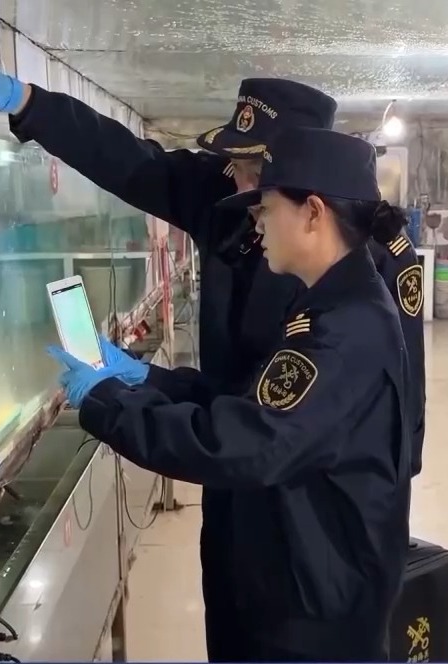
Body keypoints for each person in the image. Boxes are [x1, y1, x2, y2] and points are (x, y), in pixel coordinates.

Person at [0, 68, 428, 659]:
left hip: (309, 534)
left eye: (261, 182)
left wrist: (109, 402)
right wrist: (30, 104)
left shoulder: (353, 302)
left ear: (311, 203)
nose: (244, 192)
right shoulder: (267, 226)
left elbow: (308, 431)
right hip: (252, 489)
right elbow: (134, 162)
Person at [48, 127, 413, 662]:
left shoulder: (340, 331)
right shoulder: (332, 303)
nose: (256, 224)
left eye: (266, 208)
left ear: (313, 213)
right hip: (301, 576)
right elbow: (251, 402)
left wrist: (108, 402)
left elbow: (240, 444)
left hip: (313, 619)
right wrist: (145, 379)